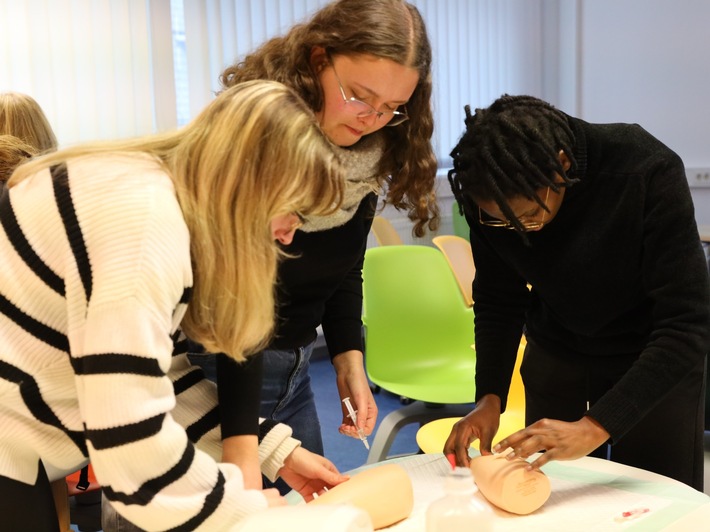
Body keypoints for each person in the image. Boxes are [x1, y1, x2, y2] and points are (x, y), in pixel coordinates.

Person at [0, 80, 350, 531]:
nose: (288, 235)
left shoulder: (155, 195)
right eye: (293, 211)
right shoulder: (147, 227)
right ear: (250, 187)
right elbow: (134, 454)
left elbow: (157, 379)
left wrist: (273, 450)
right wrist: (249, 511)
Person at [212, 0, 439, 493]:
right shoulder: (251, 142)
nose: (372, 119)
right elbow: (236, 305)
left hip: (292, 370)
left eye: (391, 108)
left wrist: (347, 360)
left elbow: (344, 265)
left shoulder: (366, 156)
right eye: (359, 96)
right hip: (216, 370)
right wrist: (242, 447)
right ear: (318, 62)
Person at [443, 94, 710, 490]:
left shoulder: (644, 170)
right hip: (557, 348)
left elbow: (687, 323)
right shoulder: (486, 189)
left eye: (531, 217)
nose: (520, 232)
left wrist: (596, 426)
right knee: (544, 495)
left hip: (651, 357)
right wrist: (490, 397)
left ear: (562, 166)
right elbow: (499, 301)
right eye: (503, 223)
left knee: (656, 499)